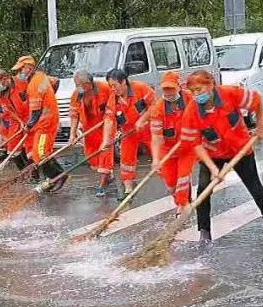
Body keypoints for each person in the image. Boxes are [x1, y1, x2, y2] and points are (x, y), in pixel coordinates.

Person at [180, 70, 263, 244]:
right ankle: (204, 232)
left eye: (200, 89)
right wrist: (212, 169)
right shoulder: (191, 112)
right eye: (193, 91)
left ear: (211, 84)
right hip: (212, 153)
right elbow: (195, 144)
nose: (197, 94)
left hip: (240, 149)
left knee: (254, 185)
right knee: (203, 190)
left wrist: (260, 124)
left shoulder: (231, 94)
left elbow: (256, 100)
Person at [12, 55, 67, 191]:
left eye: (21, 70)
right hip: (46, 119)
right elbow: (56, 82)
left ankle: (59, 175)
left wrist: (28, 125)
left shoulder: (34, 86)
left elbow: (35, 113)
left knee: (41, 152)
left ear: (29, 69)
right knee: (37, 153)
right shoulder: (42, 76)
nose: (19, 74)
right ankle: (52, 177)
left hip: (45, 123)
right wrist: (49, 99)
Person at [100, 69, 155, 200]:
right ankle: (128, 189)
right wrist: (106, 139)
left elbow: (155, 106)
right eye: (110, 86)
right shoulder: (114, 98)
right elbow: (108, 119)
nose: (113, 89)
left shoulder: (140, 88)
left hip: (148, 128)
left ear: (124, 81)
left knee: (160, 155)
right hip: (128, 131)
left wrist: (143, 119)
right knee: (126, 161)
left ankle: (173, 182)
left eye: (115, 85)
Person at [149, 71, 196, 216]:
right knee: (170, 184)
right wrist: (156, 159)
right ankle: (182, 200)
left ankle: (183, 206)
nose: (168, 93)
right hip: (167, 149)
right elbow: (156, 137)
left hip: (187, 147)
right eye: (165, 89)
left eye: (171, 89)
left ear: (178, 87)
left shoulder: (190, 99)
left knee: (182, 177)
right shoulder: (158, 109)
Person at [69, 70, 113, 197]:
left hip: (106, 124)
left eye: (80, 85)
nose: (78, 87)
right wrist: (73, 134)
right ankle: (108, 176)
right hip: (89, 127)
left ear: (89, 83)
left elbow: (115, 104)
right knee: (92, 156)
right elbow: (74, 115)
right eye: (76, 84)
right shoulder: (77, 94)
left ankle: (102, 185)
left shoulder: (104, 88)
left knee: (105, 152)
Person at [0, 68, 39, 180]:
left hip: (30, 118)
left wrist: (31, 119)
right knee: (12, 150)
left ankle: (34, 175)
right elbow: (8, 110)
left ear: (5, 78)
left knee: (30, 150)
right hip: (16, 120)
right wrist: (20, 122)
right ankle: (24, 172)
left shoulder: (22, 80)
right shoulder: (2, 93)